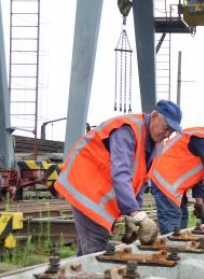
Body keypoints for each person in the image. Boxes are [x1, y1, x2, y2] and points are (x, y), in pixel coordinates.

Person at [56, 100, 182, 256]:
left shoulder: (155, 144)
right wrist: (136, 213)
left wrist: (132, 214)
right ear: (155, 116)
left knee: (89, 250)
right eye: (166, 128)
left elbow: (141, 181)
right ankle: (91, 276)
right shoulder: (128, 130)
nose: (167, 134)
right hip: (86, 187)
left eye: (172, 132)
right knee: (96, 247)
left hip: (97, 190)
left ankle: (79, 273)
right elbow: (120, 173)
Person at [150, 126, 204, 234]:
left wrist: (199, 201)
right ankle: (172, 247)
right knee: (172, 218)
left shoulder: (202, 143)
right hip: (165, 180)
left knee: (183, 215)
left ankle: (179, 244)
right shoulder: (202, 139)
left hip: (172, 183)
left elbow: (198, 174)